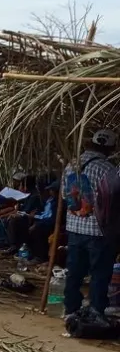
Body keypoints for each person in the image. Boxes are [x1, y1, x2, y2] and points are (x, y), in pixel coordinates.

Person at [62, 129, 118, 317]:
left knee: (74, 273)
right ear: (110, 148)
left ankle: (70, 309)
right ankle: (95, 312)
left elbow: (64, 195)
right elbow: (112, 199)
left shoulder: (71, 165)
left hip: (74, 228)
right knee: (99, 274)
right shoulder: (108, 169)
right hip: (98, 231)